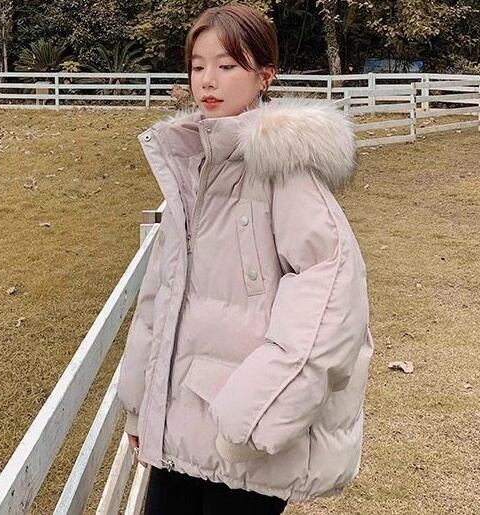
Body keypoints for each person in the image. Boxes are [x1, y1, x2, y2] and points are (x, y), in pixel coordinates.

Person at [117, 3, 374, 514]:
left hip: (243, 438)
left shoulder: (283, 170)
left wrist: (254, 414)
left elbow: (331, 296)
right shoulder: (194, 168)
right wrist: (141, 407)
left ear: (265, 76)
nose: (208, 80)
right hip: (179, 427)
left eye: (227, 65)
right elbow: (160, 298)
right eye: (197, 66)